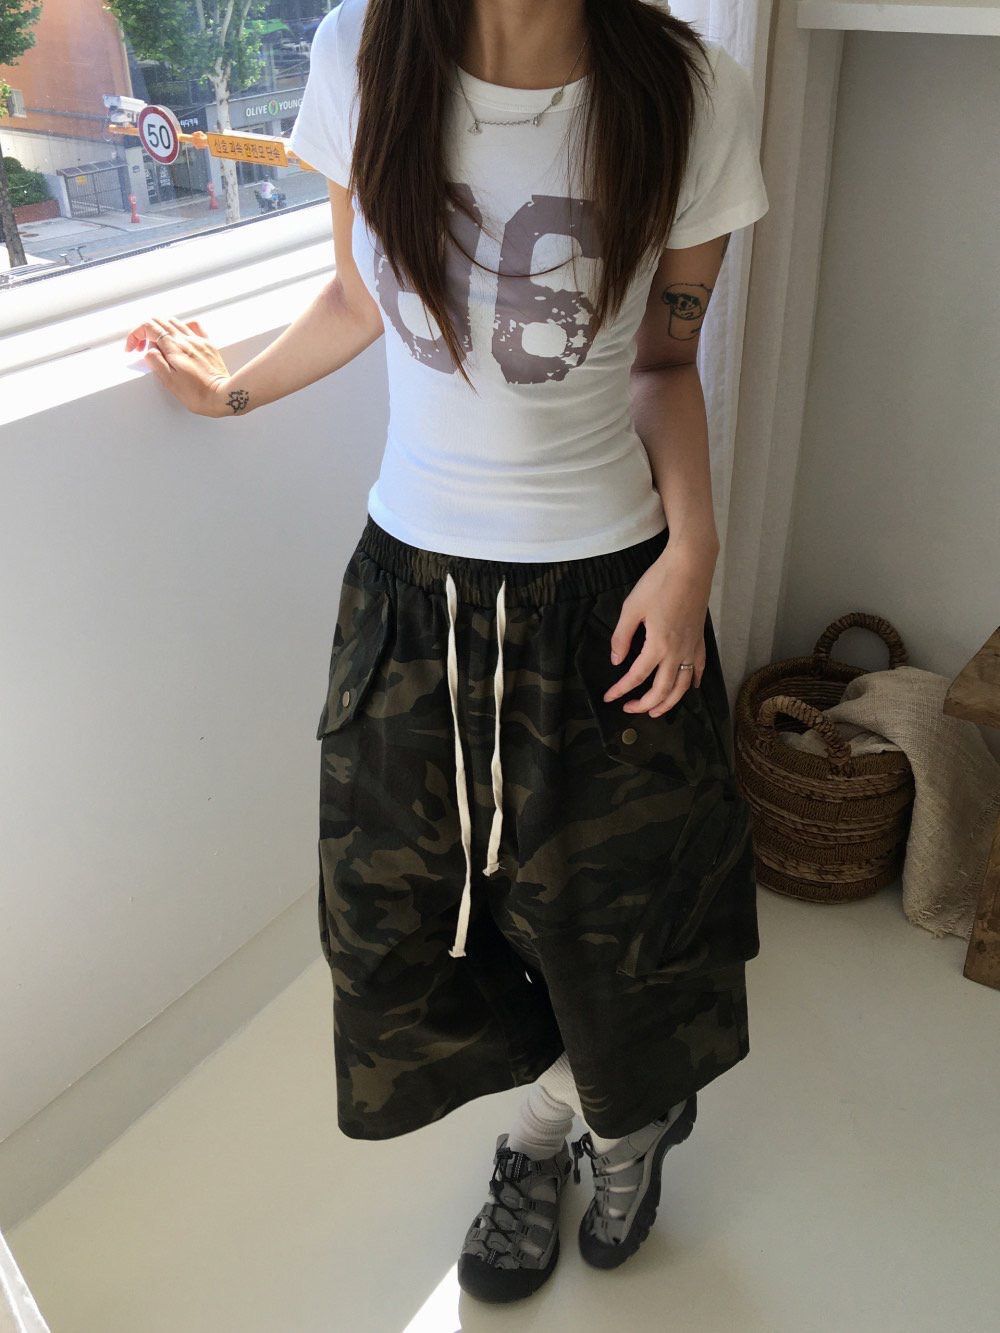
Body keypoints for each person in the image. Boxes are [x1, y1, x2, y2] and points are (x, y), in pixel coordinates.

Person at [124, 0, 768, 1305]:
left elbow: (662, 361)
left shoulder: (692, 89)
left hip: (610, 600)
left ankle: (588, 1129)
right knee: (407, 938)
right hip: (410, 602)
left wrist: (694, 553)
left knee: (621, 928)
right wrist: (230, 389)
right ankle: (592, 1109)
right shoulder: (362, 52)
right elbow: (358, 295)